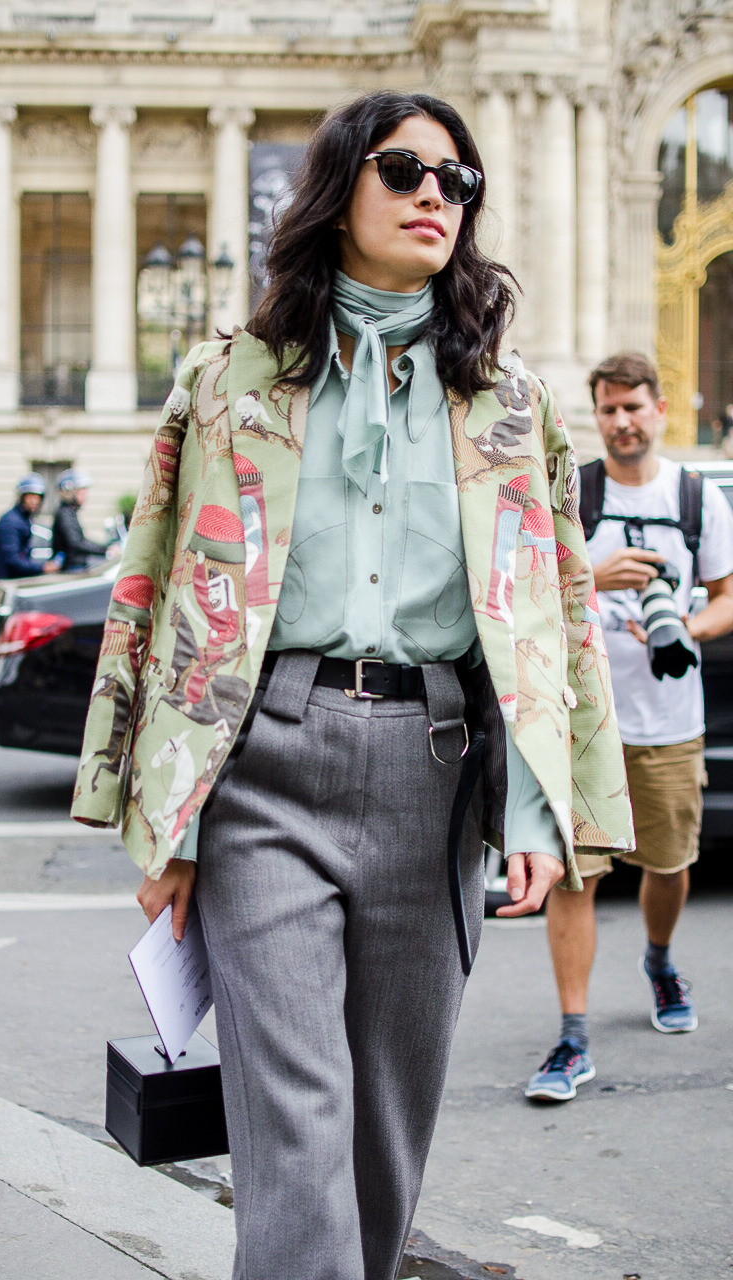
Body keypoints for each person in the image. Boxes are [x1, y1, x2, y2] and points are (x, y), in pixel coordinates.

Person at [72, 91, 633, 1280]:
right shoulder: (227, 381)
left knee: (385, 1127)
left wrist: (540, 811)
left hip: (434, 771)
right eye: (403, 170)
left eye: (456, 180)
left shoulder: (511, 401)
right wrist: (167, 821)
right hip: (263, 766)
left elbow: (552, 611)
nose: (436, 194)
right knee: (294, 1126)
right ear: (337, 193)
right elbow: (156, 588)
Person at [526, 351, 733, 1104]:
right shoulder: (573, 490)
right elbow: (526, 589)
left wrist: (685, 627)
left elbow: (727, 595)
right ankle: (572, 1036)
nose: (622, 422)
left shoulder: (695, 496)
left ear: (660, 410)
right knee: (576, 875)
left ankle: (659, 959)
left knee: (669, 864)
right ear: (597, 416)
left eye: (634, 407)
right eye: (609, 409)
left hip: (670, 722)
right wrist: (595, 575)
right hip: (584, 722)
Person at [0, 474, 59, 579]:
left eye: (38, 497)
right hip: (10, 580)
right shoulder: (11, 521)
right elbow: (12, 560)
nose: (34, 501)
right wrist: (42, 568)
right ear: (22, 497)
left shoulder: (23, 518)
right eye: (30, 496)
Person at [51, 469, 111, 571]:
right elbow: (76, 543)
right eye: (81, 491)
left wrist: (105, 548)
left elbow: (81, 540)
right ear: (69, 492)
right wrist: (106, 550)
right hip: (71, 568)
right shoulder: (65, 514)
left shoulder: (69, 512)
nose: (85, 495)